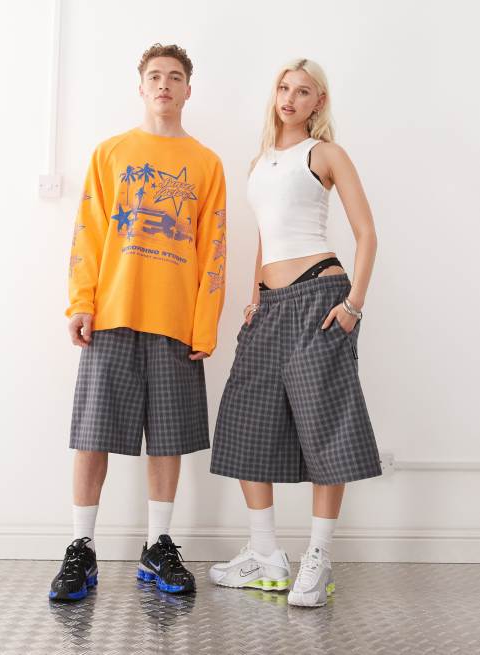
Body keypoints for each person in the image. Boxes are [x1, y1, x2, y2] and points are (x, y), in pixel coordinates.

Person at [49, 43, 226, 601]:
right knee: (93, 434)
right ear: (141, 86)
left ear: (188, 89)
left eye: (174, 76)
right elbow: (89, 233)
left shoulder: (206, 163)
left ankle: (157, 544)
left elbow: (214, 248)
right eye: (155, 76)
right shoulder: (111, 153)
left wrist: (205, 323)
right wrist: (80, 302)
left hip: (175, 319)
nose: (164, 85)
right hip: (112, 313)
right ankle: (81, 546)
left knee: (168, 438)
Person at [209, 57, 381, 608]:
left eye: (303, 91)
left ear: (318, 102)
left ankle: (318, 558)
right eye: (284, 87)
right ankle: (265, 554)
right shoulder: (260, 161)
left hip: (319, 298)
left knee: (325, 426)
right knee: (243, 422)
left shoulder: (324, 154)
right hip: (270, 307)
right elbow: (266, 233)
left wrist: (354, 306)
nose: (289, 98)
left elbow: (367, 232)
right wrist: (255, 294)